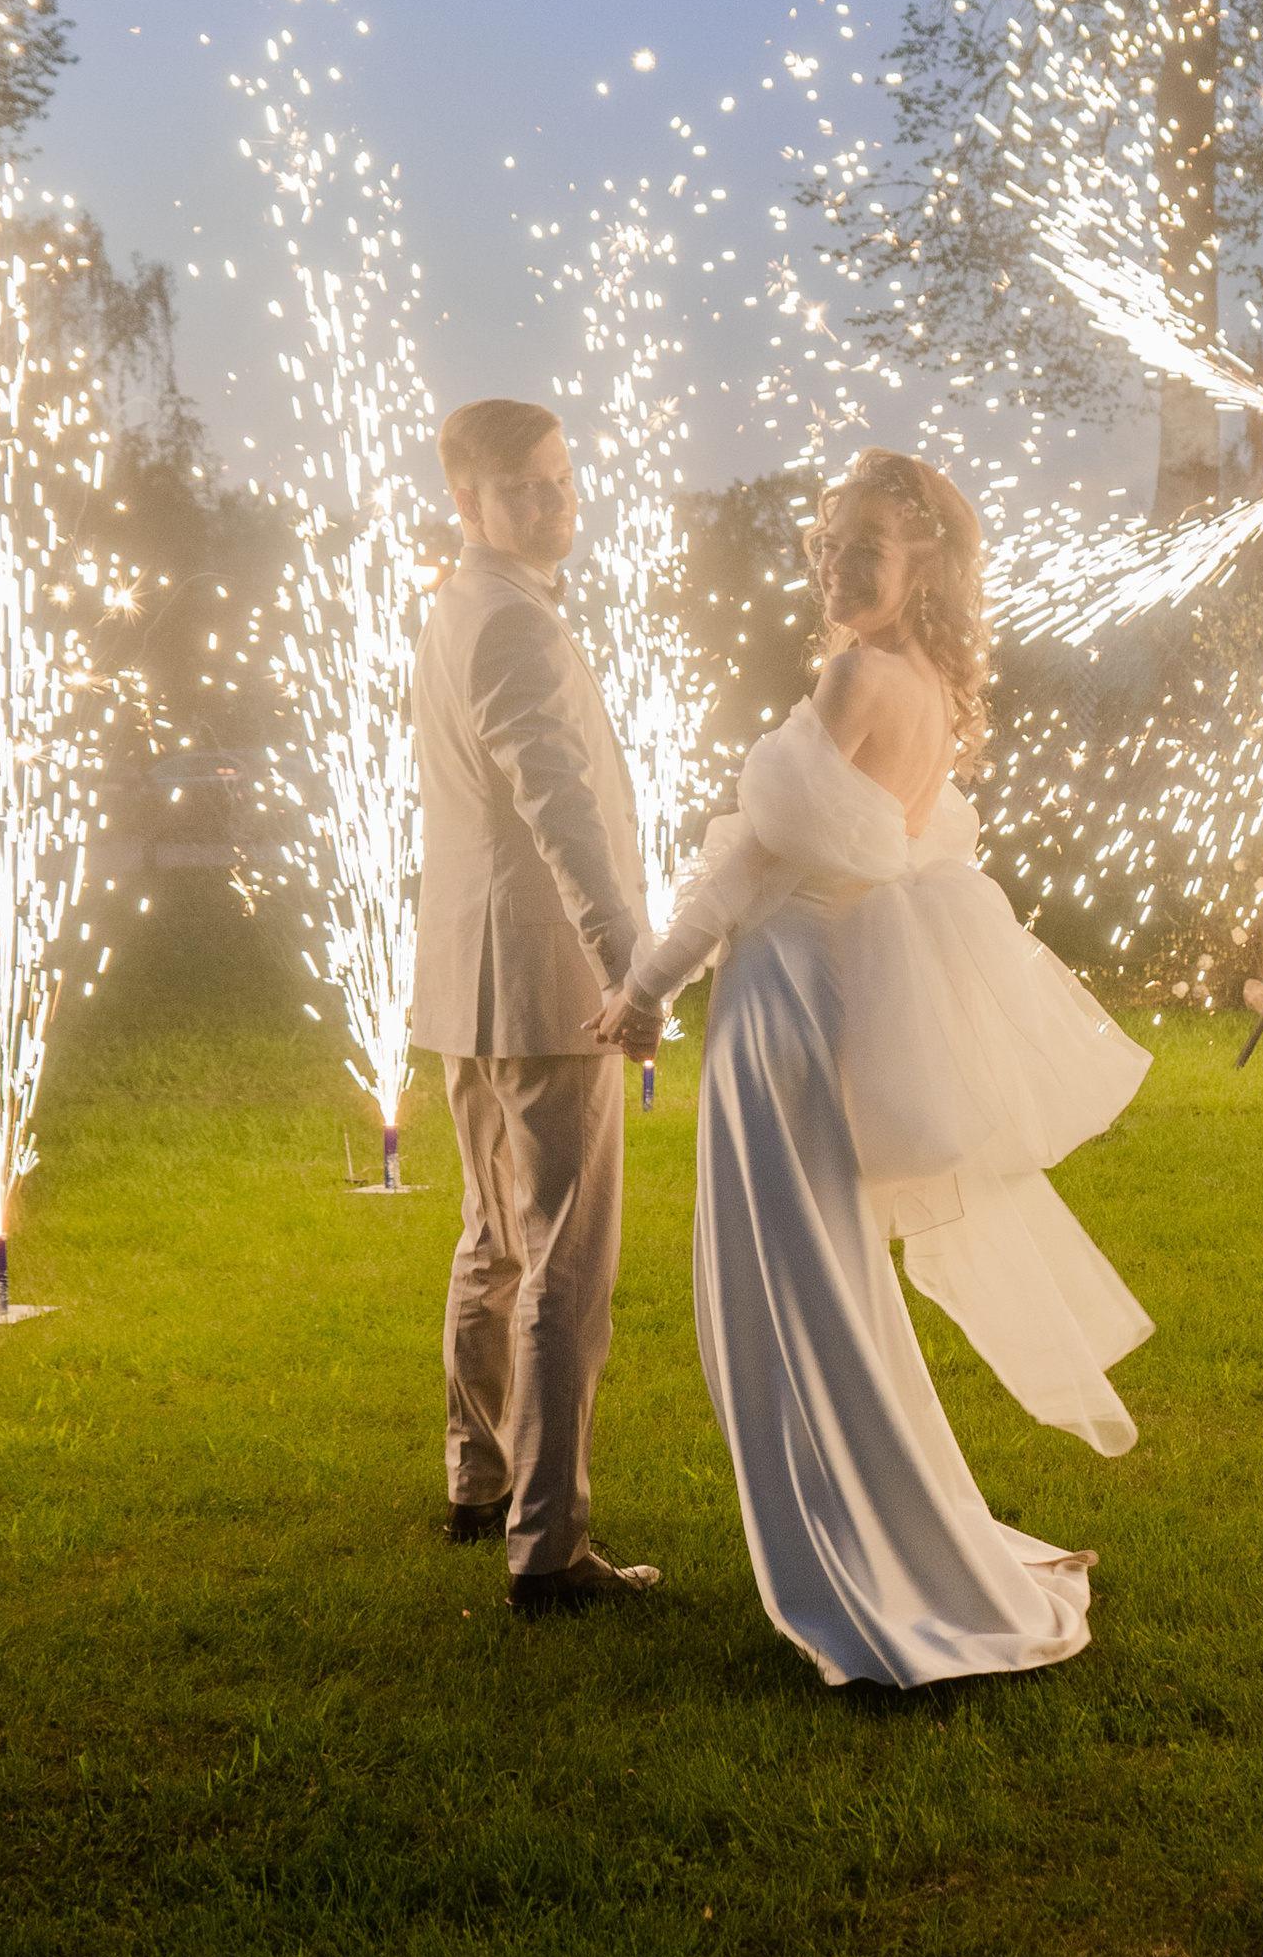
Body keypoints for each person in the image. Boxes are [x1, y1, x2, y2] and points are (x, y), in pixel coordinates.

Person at [592, 447, 1152, 1689]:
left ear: (920, 566)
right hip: (824, 986)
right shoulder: (930, 685)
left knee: (784, 1284)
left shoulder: (853, 675)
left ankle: (865, 1567)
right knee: (822, 1279)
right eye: (830, 541)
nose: (836, 564)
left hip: (786, 989)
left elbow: (747, 862)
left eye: (867, 549)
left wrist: (644, 987)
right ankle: (892, 1530)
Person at [410, 396, 663, 1616]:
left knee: (492, 1238)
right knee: (565, 1258)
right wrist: (627, 966)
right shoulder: (511, 625)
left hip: (469, 982)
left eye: (562, 481)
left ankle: (478, 1481)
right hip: (545, 981)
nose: (556, 504)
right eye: (526, 489)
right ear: (468, 501)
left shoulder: (460, 606)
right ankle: (548, 1545)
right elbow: (557, 808)